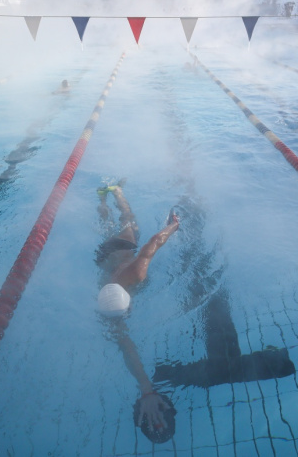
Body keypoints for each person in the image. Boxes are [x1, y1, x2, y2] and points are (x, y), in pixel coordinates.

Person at [95, 181, 180, 443]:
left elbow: (154, 243)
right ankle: (102, 199)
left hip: (121, 248)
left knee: (129, 219)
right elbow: (125, 346)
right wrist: (145, 389)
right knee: (107, 224)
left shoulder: (135, 275)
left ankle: (116, 191)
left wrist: (174, 225)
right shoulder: (106, 300)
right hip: (102, 257)